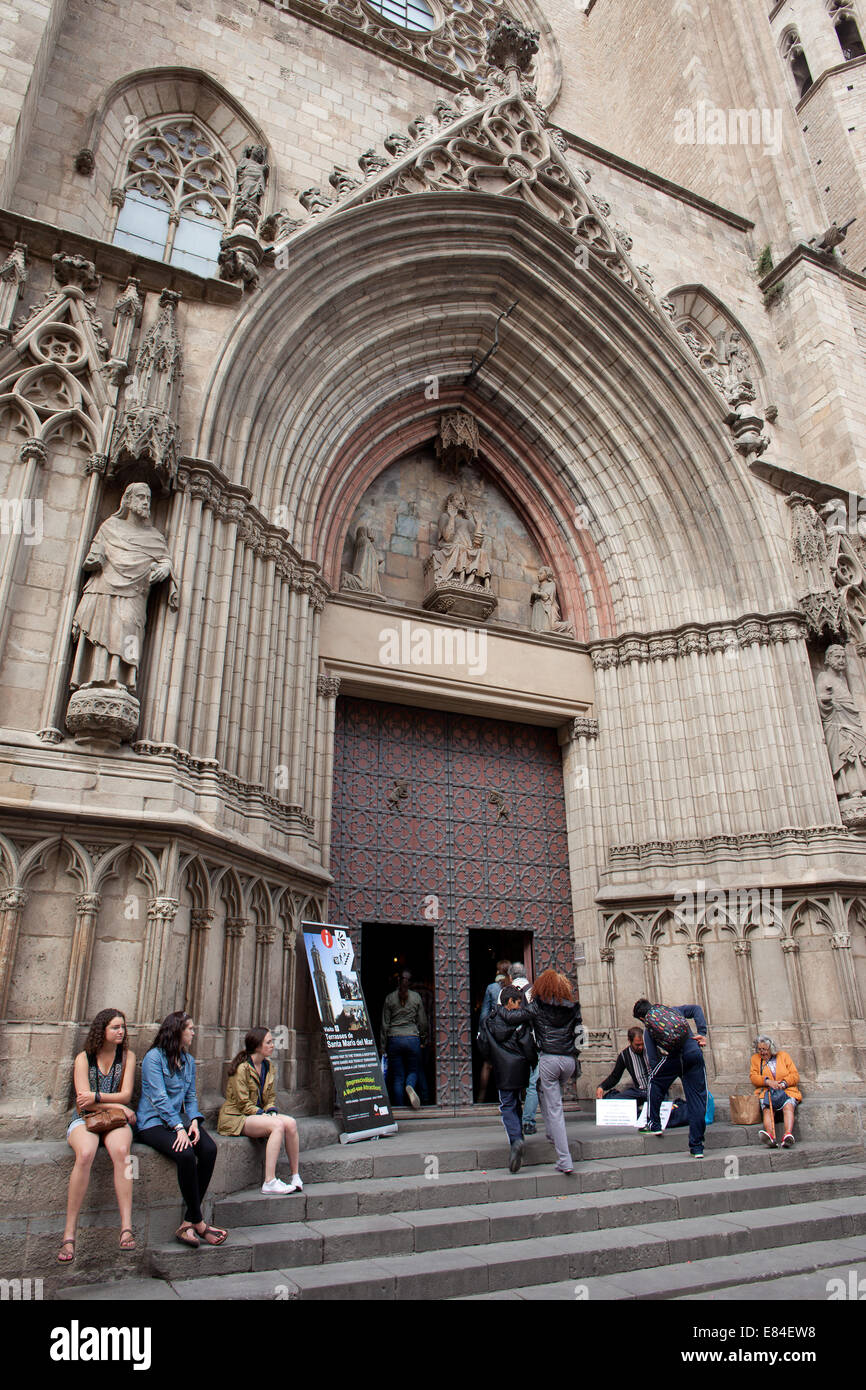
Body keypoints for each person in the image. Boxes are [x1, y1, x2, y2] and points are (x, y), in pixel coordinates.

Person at [136, 1011, 227, 1248]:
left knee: (208, 1149)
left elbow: (190, 1096)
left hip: (180, 1122)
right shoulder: (153, 1058)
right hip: (153, 1123)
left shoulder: (187, 1061)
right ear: (177, 1031)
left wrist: (194, 1121)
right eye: (190, 1028)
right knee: (185, 1154)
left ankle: (188, 1221)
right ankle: (199, 1223)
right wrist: (179, 1127)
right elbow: (158, 1097)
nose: (194, 1032)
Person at [57, 1008, 137, 1263]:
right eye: (115, 1027)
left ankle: (126, 1227)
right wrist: (116, 1105)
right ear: (101, 1030)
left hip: (113, 1120)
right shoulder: (84, 1058)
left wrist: (99, 1097)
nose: (121, 1032)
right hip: (84, 1120)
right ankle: (69, 1234)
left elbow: (126, 1095)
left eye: (122, 1027)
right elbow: (83, 1104)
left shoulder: (127, 1057)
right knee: (86, 1154)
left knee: (124, 1155)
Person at [218, 1027, 303, 1193]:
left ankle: (295, 1175)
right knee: (277, 1126)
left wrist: (270, 1110)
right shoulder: (242, 1068)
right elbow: (242, 1103)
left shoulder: (268, 1066)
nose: (273, 1045)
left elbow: (270, 1096)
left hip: (257, 1114)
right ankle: (269, 1181)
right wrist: (264, 1115)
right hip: (236, 1117)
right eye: (269, 1042)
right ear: (257, 1046)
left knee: (291, 1124)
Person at [633, 998, 709, 1158]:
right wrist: (701, 1033)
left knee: (654, 1082)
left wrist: (665, 1070)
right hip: (694, 1052)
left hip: (675, 1058)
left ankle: (654, 1124)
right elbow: (696, 1009)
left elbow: (653, 1060)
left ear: (641, 1018)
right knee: (698, 1099)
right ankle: (697, 1147)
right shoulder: (673, 1010)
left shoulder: (649, 1029)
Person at [478, 984, 538, 1172]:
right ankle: (518, 1135)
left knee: (507, 1104)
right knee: (516, 1101)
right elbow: (528, 1045)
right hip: (520, 1067)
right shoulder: (520, 1021)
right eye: (518, 1002)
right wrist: (532, 1061)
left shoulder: (490, 1020)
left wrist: (491, 1058)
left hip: (502, 1068)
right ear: (509, 1002)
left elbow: (484, 1045)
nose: (520, 1006)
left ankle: (516, 1139)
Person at [527, 969, 582, 1174]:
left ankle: (564, 1159)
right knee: (542, 1088)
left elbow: (522, 1019)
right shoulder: (573, 1008)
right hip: (568, 1061)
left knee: (555, 1108)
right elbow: (581, 1037)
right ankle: (551, 1134)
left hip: (549, 1058)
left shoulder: (537, 1007)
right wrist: (573, 1052)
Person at [380, 970, 428, 1109]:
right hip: (412, 1038)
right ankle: (410, 1086)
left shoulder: (390, 998)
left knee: (397, 1076)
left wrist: (383, 1046)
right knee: (413, 1070)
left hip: (394, 1039)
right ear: (411, 982)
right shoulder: (416, 997)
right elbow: (423, 1022)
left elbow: (384, 1024)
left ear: (398, 981)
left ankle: (400, 1107)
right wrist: (423, 1040)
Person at [750, 1035, 802, 1148]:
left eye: (764, 1049)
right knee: (767, 1109)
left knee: (788, 1106)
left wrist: (783, 1083)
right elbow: (753, 1077)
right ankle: (770, 1136)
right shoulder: (755, 1059)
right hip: (768, 1091)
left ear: (771, 1048)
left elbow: (794, 1075)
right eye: (759, 1049)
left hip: (786, 1090)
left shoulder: (783, 1056)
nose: (762, 1052)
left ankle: (787, 1135)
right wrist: (768, 1082)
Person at [477, 961, 511, 1102]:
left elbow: (484, 1013)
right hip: (509, 1031)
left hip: (493, 1031)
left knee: (488, 1064)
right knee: (509, 1064)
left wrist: (482, 1031)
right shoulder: (512, 988)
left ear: (498, 972)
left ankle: (481, 1097)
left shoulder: (491, 988)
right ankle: (511, 1097)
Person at [595, 1026, 650, 1103]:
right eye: (637, 1045)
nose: (641, 1047)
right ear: (630, 1041)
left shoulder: (650, 1049)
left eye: (642, 1044)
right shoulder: (624, 1055)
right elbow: (615, 1076)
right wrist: (602, 1087)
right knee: (611, 1101)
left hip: (654, 1090)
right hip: (639, 1092)